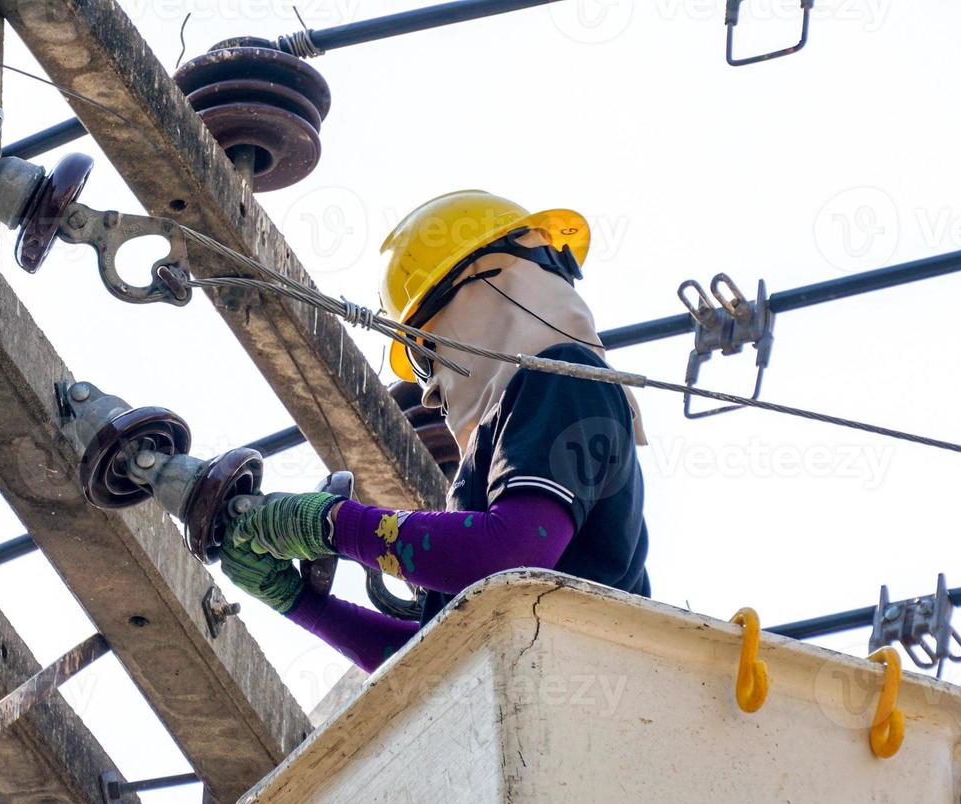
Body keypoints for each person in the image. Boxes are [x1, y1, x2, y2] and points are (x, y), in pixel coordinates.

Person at [220, 190, 651, 672]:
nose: (428, 395)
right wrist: (296, 601)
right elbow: (428, 668)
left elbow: (510, 552)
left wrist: (331, 525)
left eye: (424, 361)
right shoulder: (501, 453)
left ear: (485, 287)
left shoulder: (565, 380)